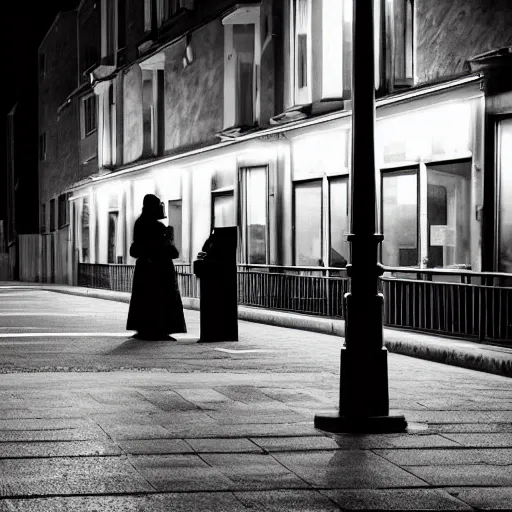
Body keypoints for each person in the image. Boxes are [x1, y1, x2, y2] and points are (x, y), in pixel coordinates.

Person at [126, 194, 187, 340]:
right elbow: (168, 249)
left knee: (144, 298)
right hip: (160, 268)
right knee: (161, 298)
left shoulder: (139, 223)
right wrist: (168, 237)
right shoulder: (158, 227)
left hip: (144, 267)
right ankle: (160, 330)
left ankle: (144, 328)